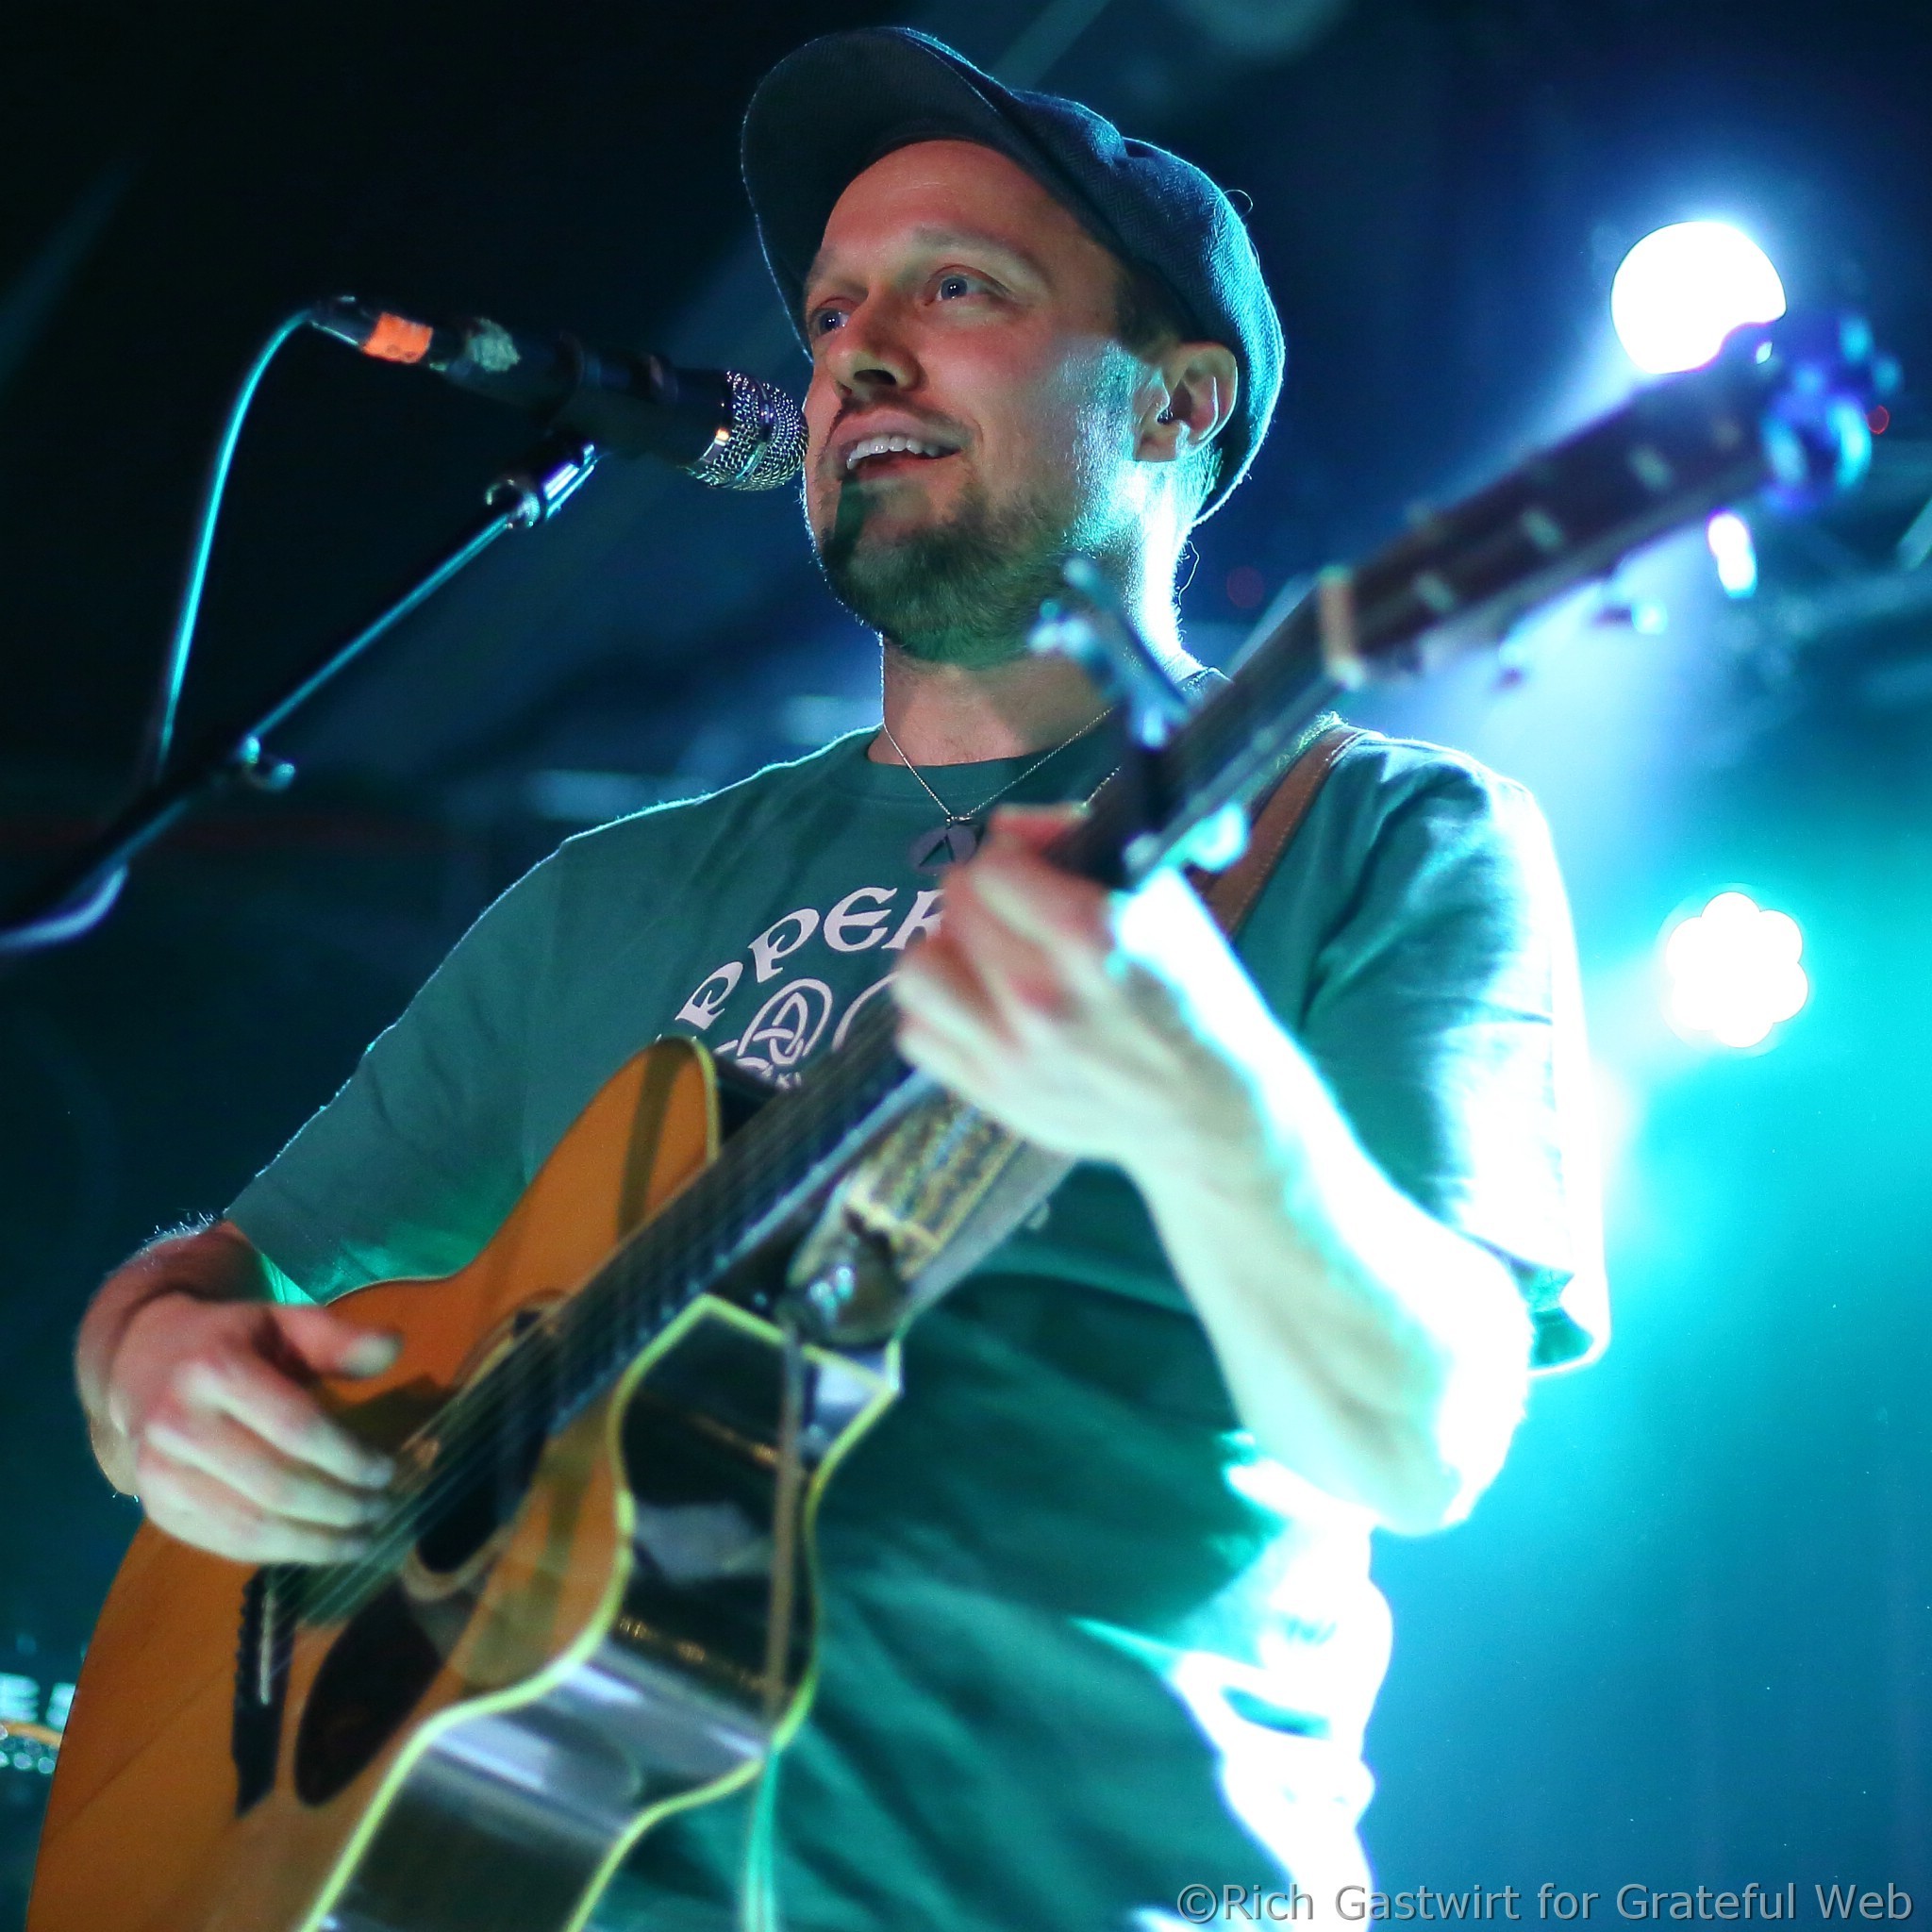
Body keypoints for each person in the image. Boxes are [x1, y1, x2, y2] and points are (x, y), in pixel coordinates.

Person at [72, 27, 1605, 1932]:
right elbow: (226, 1278)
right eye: (828, 312)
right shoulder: (604, 899)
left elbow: (1427, 1436)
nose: (857, 353)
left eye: (958, 290)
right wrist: (148, 1369)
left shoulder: (1379, 834)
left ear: (1175, 401)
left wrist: (1207, 1106)